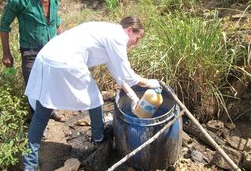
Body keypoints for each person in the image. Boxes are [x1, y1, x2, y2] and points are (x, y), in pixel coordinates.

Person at [22, 15, 161, 170]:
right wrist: (149, 82)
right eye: (138, 38)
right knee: (94, 98)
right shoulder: (118, 37)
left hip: (48, 56)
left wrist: (133, 96)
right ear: (129, 30)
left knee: (43, 109)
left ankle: (29, 164)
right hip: (65, 61)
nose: (136, 43)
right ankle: (99, 137)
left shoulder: (108, 32)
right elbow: (128, 75)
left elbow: (118, 74)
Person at [0, 0, 65, 121]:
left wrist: (65, 42)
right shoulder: (18, 1)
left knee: (51, 83)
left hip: (52, 50)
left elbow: (56, 23)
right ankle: (37, 122)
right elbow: (4, 26)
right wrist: (6, 53)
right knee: (34, 88)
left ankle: (50, 111)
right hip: (31, 52)